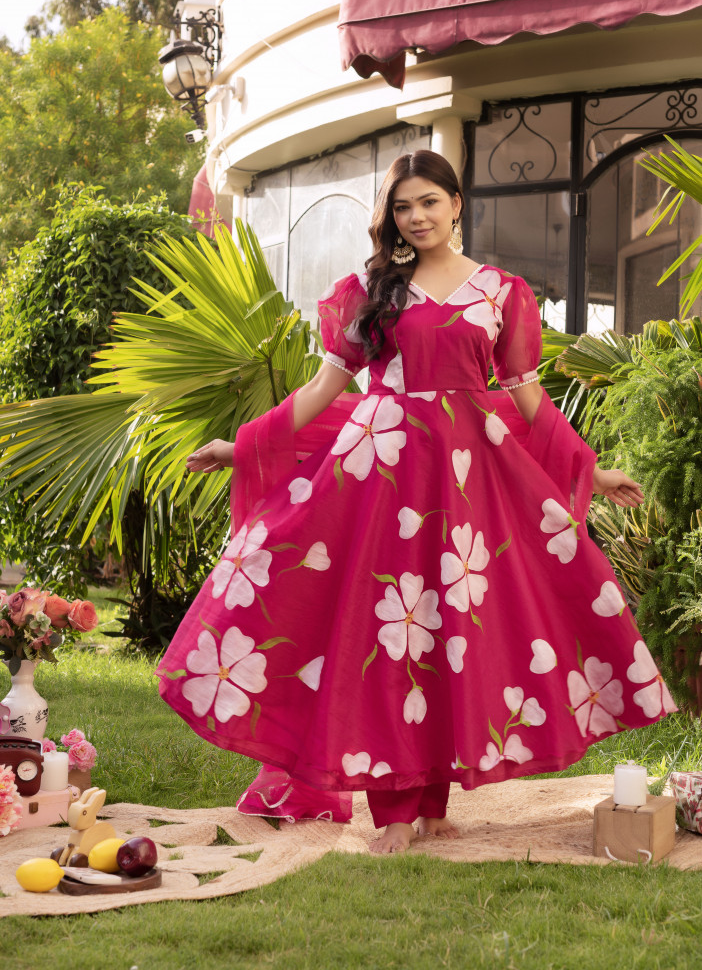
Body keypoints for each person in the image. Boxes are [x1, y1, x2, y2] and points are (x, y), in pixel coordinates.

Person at [158, 150, 675, 854]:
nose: (417, 217)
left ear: (457, 204)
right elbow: (321, 391)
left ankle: (431, 804)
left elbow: (528, 397)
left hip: (470, 484)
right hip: (379, 478)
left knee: (451, 632)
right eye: (403, 206)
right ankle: (394, 809)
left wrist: (595, 467)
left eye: (429, 201)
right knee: (386, 633)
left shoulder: (501, 292)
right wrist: (242, 446)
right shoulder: (367, 292)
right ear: (391, 217)